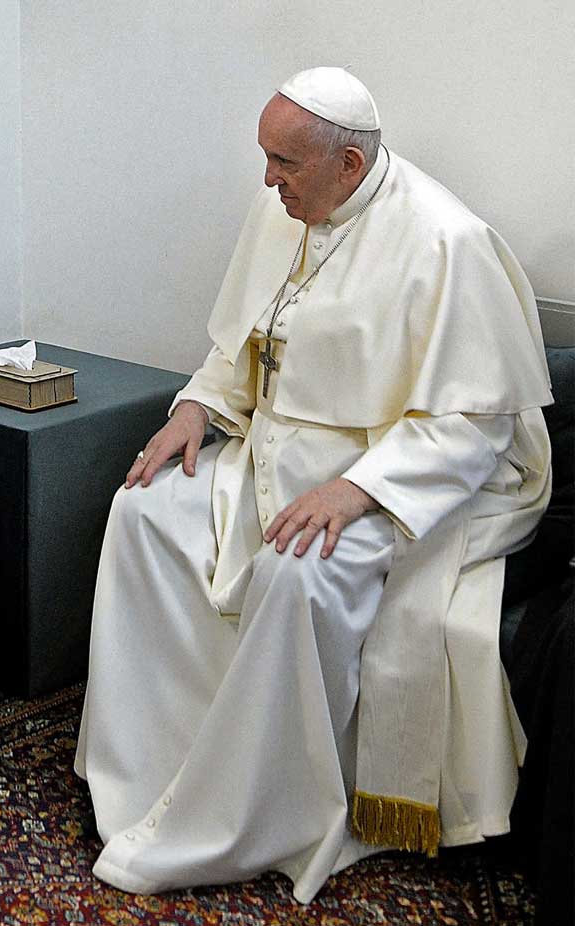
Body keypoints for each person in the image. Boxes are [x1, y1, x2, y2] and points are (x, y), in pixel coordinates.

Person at [74, 67, 552, 903]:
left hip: (410, 479)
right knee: (142, 511)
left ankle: (254, 816)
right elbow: (248, 343)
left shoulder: (448, 241)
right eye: (266, 157)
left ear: (349, 165)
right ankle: (151, 766)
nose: (267, 181)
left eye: (284, 162)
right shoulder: (289, 206)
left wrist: (358, 490)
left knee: (297, 572)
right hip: (274, 451)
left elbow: (472, 429)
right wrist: (196, 408)